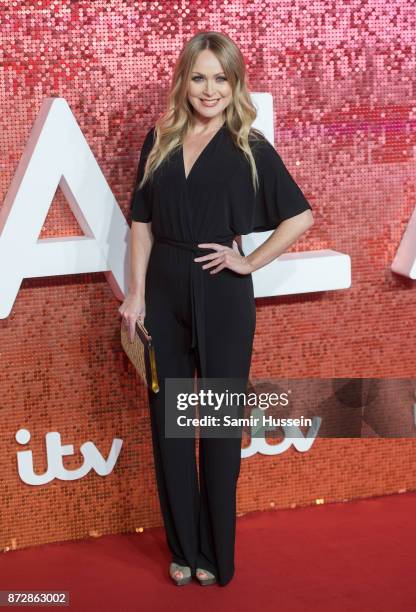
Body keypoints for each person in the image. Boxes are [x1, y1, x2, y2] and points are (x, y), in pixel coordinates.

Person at [119, 31, 314, 587]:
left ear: (235, 85)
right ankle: (184, 548)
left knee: (220, 426)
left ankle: (216, 555)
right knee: (171, 426)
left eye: (221, 78)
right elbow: (140, 224)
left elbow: (300, 218)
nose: (209, 89)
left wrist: (249, 264)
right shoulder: (158, 140)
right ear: (185, 81)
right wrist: (135, 294)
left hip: (223, 296)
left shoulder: (250, 148)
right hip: (161, 293)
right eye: (199, 76)